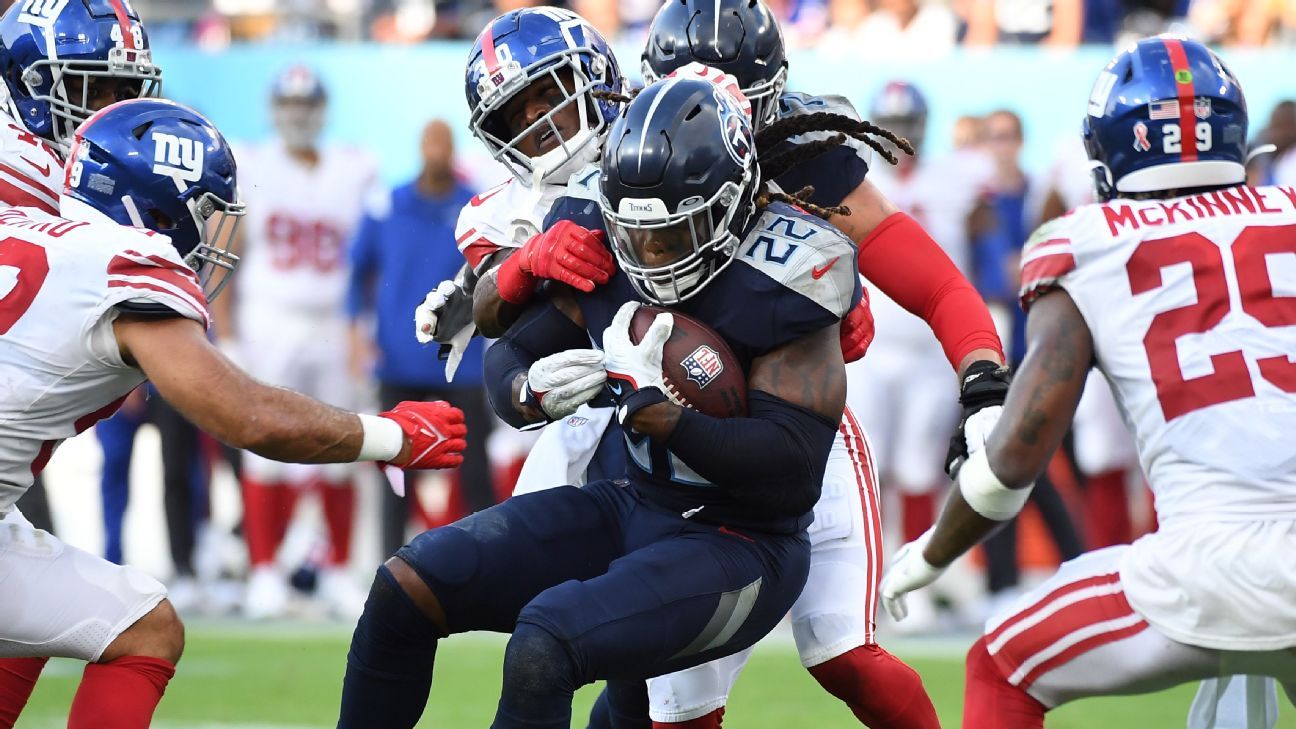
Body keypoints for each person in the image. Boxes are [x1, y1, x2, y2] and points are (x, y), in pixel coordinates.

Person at [338, 76, 851, 729]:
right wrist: (529, 394)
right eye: (635, 232)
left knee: (545, 643)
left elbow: (792, 468)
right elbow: (508, 352)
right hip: (630, 501)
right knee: (406, 585)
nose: (649, 253)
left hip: (744, 541)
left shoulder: (789, 272)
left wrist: (662, 415)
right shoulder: (606, 234)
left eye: (671, 231)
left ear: (729, 202)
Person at [0, 98, 466, 729]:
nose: (210, 233)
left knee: (79, 616)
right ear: (155, 205)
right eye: (204, 211)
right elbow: (250, 419)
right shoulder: (123, 265)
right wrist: (391, 435)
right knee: (143, 631)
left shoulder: (23, 226)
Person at [879, 35, 1296, 728]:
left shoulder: (1086, 242)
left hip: (1204, 569)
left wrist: (932, 551)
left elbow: (1016, 456)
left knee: (999, 664)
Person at [634, 5, 1006, 726]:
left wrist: (983, 375)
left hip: (801, 431)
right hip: (679, 447)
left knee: (844, 654)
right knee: (675, 701)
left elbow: (932, 280)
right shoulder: (631, 158)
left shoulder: (805, 155)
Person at [0, 0, 166, 711]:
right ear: (29, 84)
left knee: (46, 610)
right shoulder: (44, 179)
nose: (114, 110)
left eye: (126, 89)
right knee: (138, 626)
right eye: (94, 89)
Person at [212, 64, 381, 619]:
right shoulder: (254, 165)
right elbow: (225, 252)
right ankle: (265, 571)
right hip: (271, 318)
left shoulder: (353, 169)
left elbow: (370, 264)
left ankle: (335, 569)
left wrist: (366, 330)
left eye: (308, 106)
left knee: (342, 448)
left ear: (322, 111)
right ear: (275, 111)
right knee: (264, 448)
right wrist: (229, 331)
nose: (299, 116)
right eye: (290, 105)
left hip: (335, 322)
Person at [347, 118, 495, 557]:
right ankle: (389, 563)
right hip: (398, 358)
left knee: (475, 471)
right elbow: (357, 274)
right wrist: (356, 336)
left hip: (462, 361)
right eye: (430, 142)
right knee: (395, 469)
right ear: (420, 148)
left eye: (443, 144)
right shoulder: (387, 205)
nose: (436, 152)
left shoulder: (475, 210)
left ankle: (491, 557)